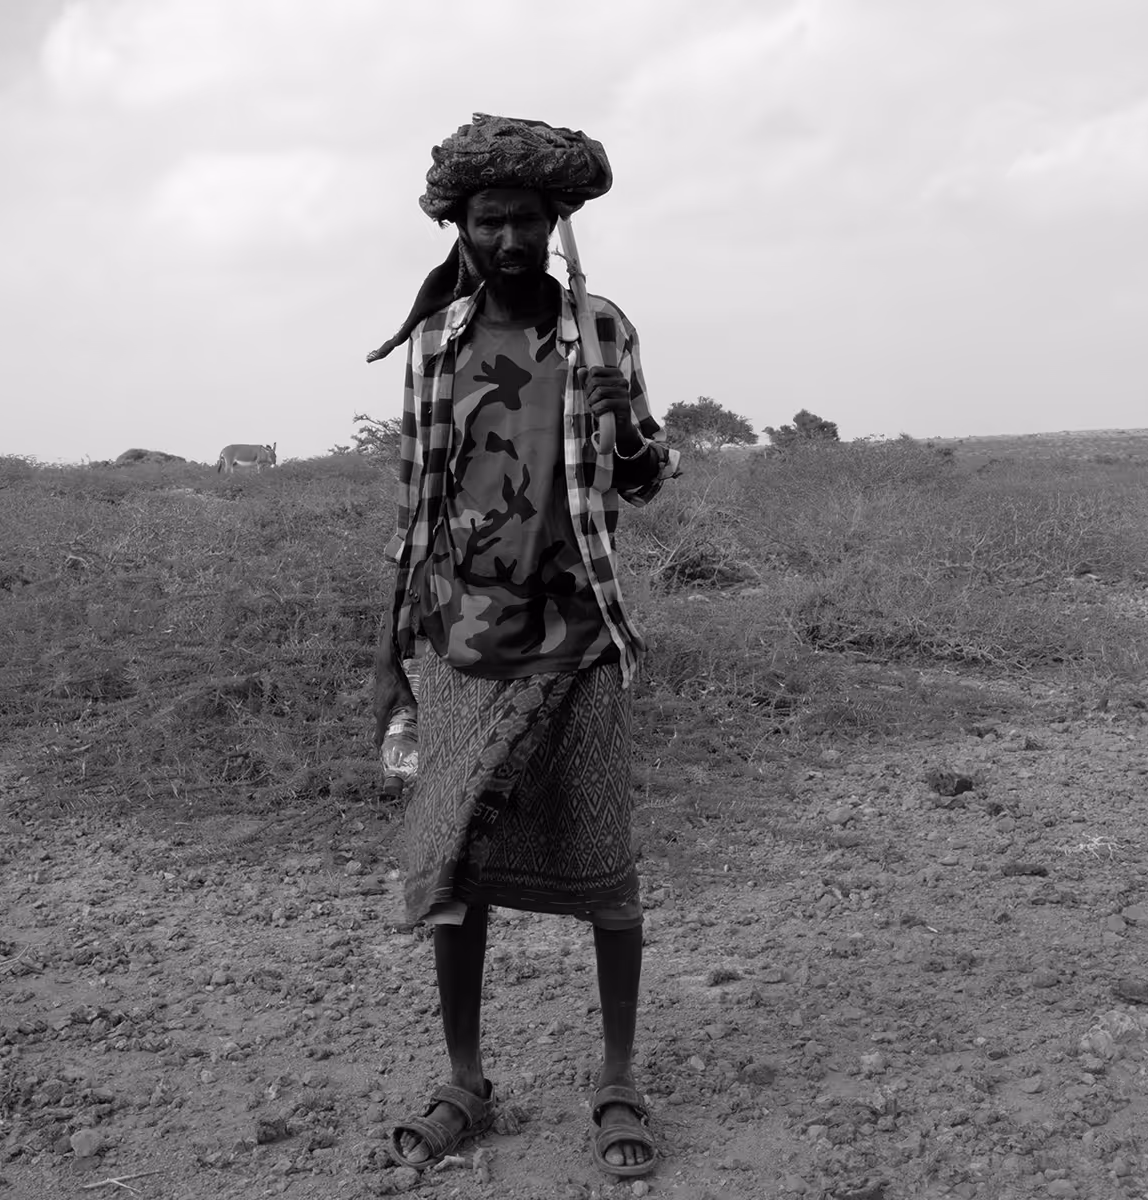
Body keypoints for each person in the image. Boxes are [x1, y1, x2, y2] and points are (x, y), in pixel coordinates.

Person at [368, 114, 680, 1179]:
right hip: (462, 638)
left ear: (556, 224)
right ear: (459, 227)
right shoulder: (436, 346)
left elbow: (645, 478)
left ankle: (618, 1079)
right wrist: (390, 653)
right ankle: (465, 1080)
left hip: (579, 635)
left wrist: (626, 432)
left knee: (605, 873)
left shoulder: (602, 330)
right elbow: (416, 504)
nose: (510, 239)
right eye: (489, 220)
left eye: (529, 220)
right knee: (454, 867)